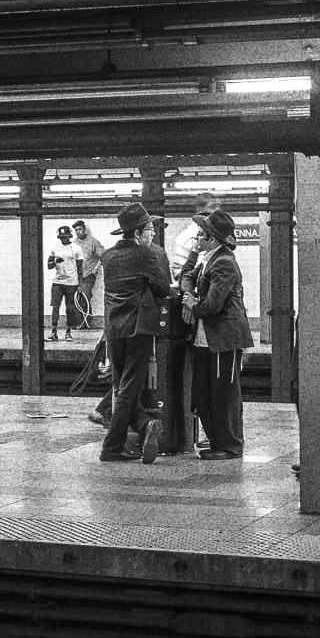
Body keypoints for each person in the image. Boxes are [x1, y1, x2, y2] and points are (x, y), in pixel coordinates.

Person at [180, 208, 254, 460]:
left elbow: (212, 306)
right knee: (202, 392)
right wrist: (189, 294)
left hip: (224, 339)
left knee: (224, 394)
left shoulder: (224, 262)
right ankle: (216, 442)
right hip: (205, 338)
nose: (196, 239)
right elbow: (185, 277)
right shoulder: (207, 259)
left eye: (200, 235)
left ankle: (230, 446)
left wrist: (192, 304)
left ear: (212, 239)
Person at [99, 202, 170, 464]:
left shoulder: (107, 256)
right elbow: (163, 288)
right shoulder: (146, 255)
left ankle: (143, 425)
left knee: (122, 385)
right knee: (130, 387)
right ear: (138, 233)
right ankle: (111, 447)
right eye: (150, 229)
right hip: (138, 328)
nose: (153, 233)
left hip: (114, 328)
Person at [169, 192, 221, 279]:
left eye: (219, 207)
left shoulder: (220, 235)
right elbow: (178, 273)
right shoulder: (186, 237)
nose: (217, 210)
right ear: (199, 210)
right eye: (213, 206)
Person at [46, 225, 83, 341]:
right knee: (55, 307)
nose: (63, 239)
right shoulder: (55, 248)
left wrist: (80, 284)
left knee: (70, 308)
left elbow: (80, 268)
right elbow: (49, 266)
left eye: (65, 237)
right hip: (58, 282)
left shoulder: (76, 248)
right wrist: (55, 261)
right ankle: (54, 332)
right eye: (61, 237)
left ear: (69, 236)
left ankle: (68, 332)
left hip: (71, 282)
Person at [71, 220, 104, 330]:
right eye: (76, 230)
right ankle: (81, 321)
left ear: (84, 230)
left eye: (80, 229)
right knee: (75, 298)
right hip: (76, 276)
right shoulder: (73, 244)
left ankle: (85, 321)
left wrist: (95, 270)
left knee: (84, 296)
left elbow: (103, 255)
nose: (78, 232)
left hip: (88, 275)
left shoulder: (93, 242)